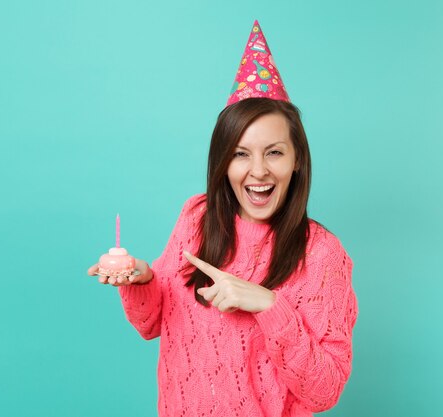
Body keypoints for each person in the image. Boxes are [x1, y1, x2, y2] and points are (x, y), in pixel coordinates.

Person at [87, 21, 357, 417]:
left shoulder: (322, 254)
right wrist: (143, 280)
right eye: (240, 153)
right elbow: (151, 323)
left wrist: (268, 305)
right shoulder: (197, 217)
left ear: (297, 159)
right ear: (223, 161)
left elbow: (324, 391)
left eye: (275, 152)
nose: (258, 171)